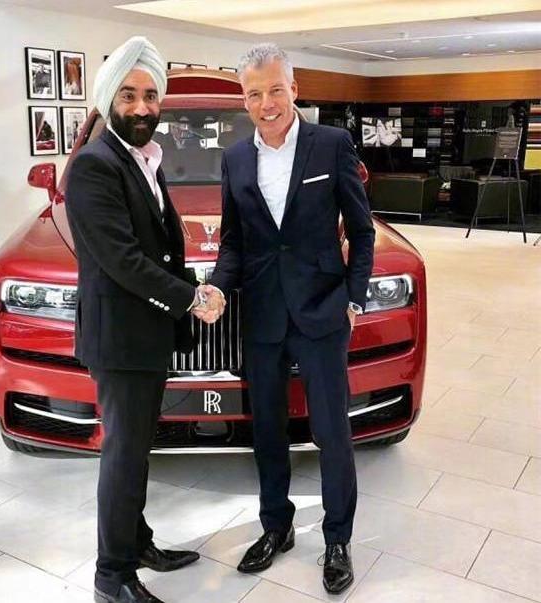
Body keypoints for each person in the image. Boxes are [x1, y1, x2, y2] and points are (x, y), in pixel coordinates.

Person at [208, 43, 375, 595]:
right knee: (267, 430)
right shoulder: (234, 159)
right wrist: (218, 287)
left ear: (294, 90)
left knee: (332, 432)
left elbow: (362, 230)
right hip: (261, 314)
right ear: (244, 99)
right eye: (255, 94)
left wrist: (354, 297)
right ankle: (275, 528)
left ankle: (337, 539)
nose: (267, 104)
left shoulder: (331, 145)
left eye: (276, 90)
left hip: (322, 309)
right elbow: (234, 243)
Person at [65, 36, 224, 603]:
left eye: (151, 96)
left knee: (135, 452)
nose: (141, 107)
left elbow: (160, 245)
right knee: (124, 455)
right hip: (121, 341)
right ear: (109, 98)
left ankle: (138, 543)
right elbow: (124, 260)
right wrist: (192, 298)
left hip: (145, 337)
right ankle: (112, 576)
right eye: (129, 95)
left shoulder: (144, 159)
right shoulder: (94, 165)